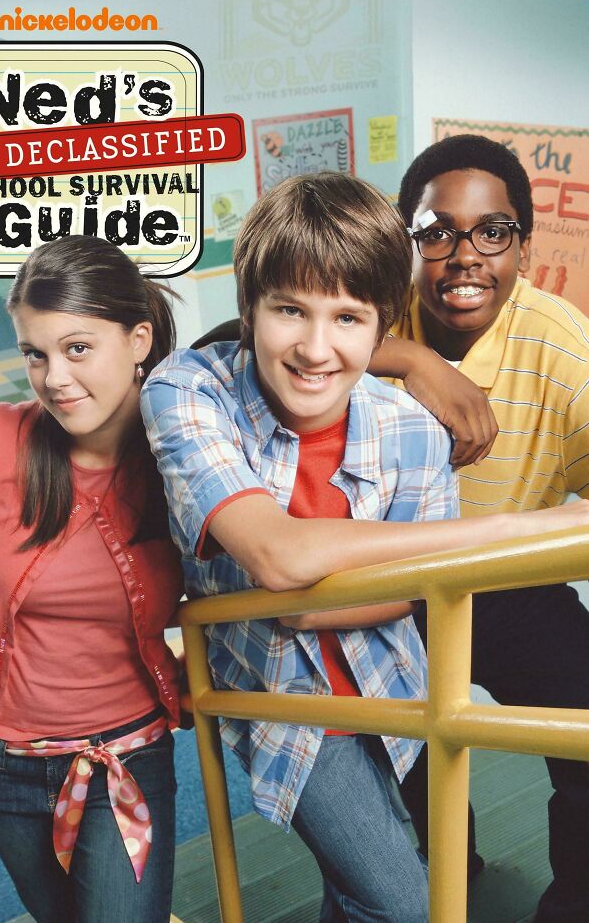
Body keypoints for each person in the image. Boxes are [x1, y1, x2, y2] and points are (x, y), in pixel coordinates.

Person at [140, 172, 589, 923]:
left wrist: (321, 600)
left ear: (383, 329)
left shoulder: (410, 427)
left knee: (362, 891)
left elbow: (415, 590)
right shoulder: (188, 388)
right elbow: (278, 558)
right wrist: (517, 528)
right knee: (409, 904)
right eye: (290, 310)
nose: (317, 347)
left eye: (349, 318)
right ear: (249, 310)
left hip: (395, 678)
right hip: (278, 700)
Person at [0, 235, 184, 923]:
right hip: (1, 763)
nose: (54, 377)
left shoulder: (184, 449)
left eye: (78, 348)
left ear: (138, 338)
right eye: (35, 353)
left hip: (129, 754)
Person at [393, 133, 589, 923]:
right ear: (407, 243)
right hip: (391, 591)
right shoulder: (375, 303)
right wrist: (411, 357)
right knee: (398, 761)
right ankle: (445, 870)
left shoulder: (563, 347)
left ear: (523, 245)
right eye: (436, 232)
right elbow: (256, 340)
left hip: (513, 582)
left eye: (492, 232)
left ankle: (575, 900)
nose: (463, 255)